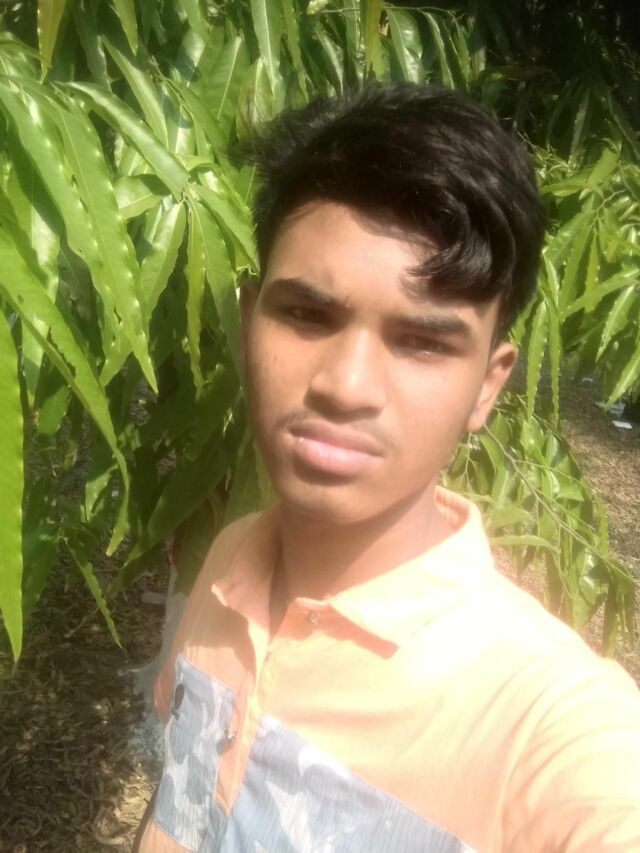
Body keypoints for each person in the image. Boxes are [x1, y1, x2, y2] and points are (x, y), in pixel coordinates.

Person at [135, 83, 640, 852]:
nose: (345, 385)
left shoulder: (548, 726)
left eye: (423, 342)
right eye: (307, 314)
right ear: (248, 321)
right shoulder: (232, 561)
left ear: (488, 385)